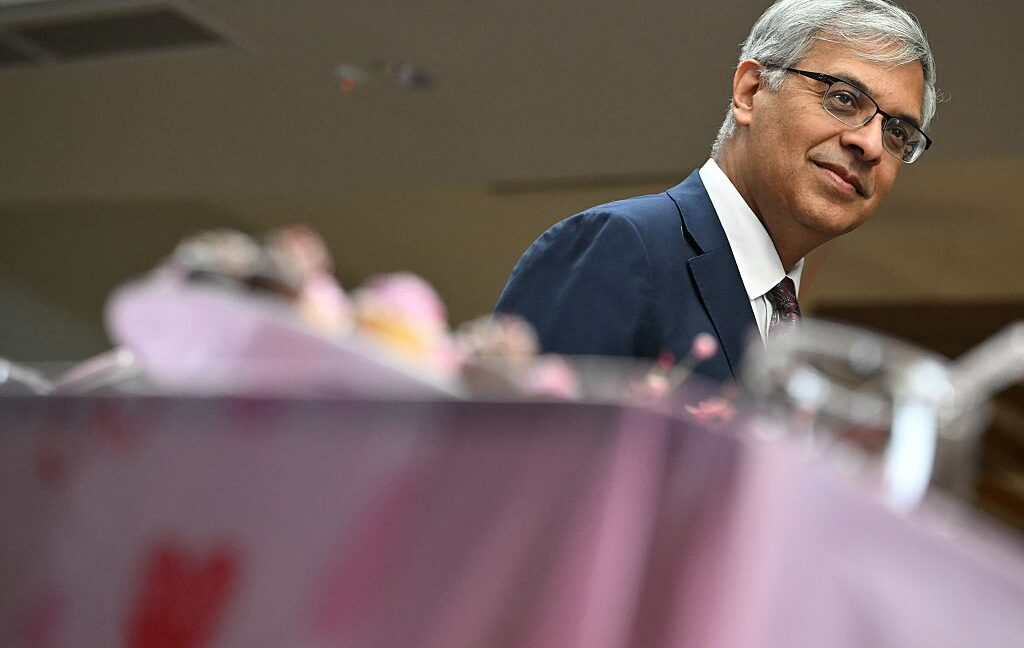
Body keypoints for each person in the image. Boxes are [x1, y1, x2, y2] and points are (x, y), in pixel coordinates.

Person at [494, 0, 937, 383]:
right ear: (750, 91)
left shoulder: (789, 330)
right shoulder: (619, 246)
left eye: (898, 132)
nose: (871, 145)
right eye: (843, 98)